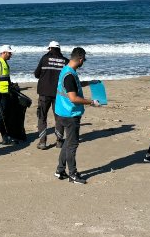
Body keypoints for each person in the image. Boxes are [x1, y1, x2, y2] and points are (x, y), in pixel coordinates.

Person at [54, 47, 101, 185]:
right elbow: (73, 98)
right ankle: (73, 174)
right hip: (70, 114)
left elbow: (73, 86)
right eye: (84, 60)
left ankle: (60, 170)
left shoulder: (66, 70)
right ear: (80, 59)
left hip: (62, 112)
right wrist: (91, 102)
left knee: (68, 142)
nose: (83, 62)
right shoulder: (69, 75)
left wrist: (89, 82)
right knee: (72, 145)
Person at [33, 41, 68, 150]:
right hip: (59, 93)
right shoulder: (65, 61)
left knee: (42, 117)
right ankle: (59, 142)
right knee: (59, 117)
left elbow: (36, 74)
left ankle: (42, 142)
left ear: (50, 48)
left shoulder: (44, 58)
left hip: (44, 92)